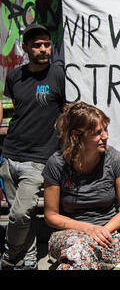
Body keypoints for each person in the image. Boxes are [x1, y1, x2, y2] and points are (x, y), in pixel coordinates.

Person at [0, 23, 66, 270]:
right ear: (26, 48)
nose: (42, 49)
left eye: (46, 44)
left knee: (19, 214)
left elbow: (66, 111)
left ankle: (9, 256)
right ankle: (27, 262)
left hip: (39, 159)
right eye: (37, 45)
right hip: (10, 155)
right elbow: (19, 109)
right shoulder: (15, 76)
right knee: (23, 218)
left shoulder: (59, 75)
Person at [42, 102, 120, 270]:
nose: (105, 136)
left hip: (108, 237)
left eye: (106, 129)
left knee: (72, 262)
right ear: (76, 136)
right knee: (80, 248)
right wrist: (88, 229)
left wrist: (102, 231)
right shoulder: (57, 164)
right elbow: (51, 215)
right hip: (68, 237)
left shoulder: (115, 160)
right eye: (98, 133)